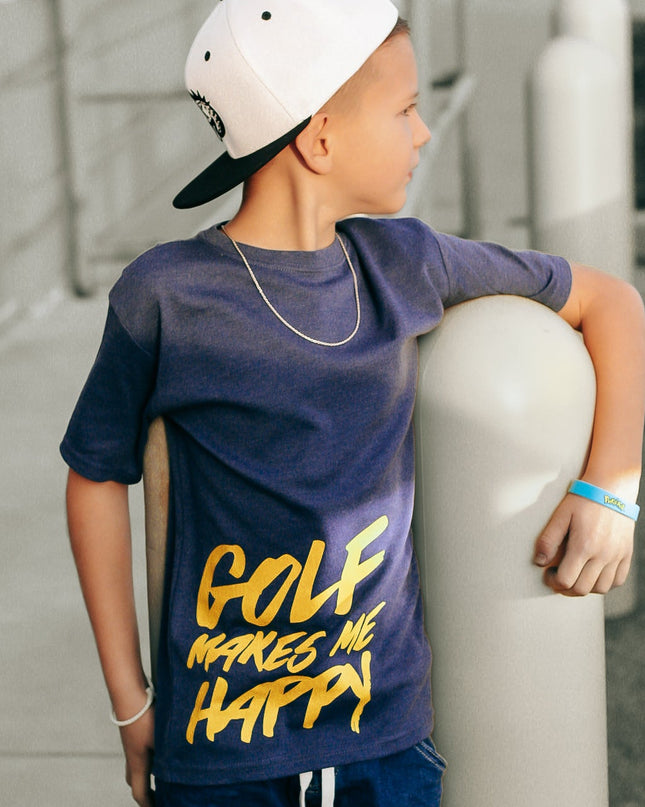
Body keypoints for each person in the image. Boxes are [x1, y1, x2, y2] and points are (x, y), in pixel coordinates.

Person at [61, 1, 645, 806]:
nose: (423, 132)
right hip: (220, 759)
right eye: (404, 109)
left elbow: (613, 301)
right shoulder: (164, 296)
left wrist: (610, 489)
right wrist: (131, 700)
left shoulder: (405, 262)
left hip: (386, 748)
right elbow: (94, 474)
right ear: (320, 137)